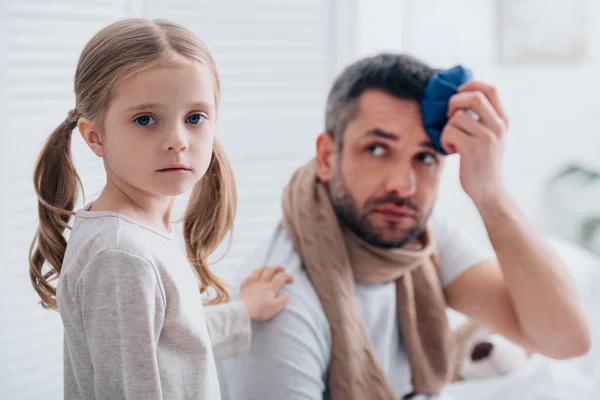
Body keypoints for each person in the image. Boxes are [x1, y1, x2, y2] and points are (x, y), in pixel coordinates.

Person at [218, 53, 591, 400]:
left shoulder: (421, 238)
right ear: (328, 157)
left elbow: (564, 340)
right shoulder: (281, 304)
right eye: (377, 149)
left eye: (425, 157)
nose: (403, 184)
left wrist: (489, 193)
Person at [28, 18, 291, 400]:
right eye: (145, 119)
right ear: (95, 136)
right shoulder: (121, 254)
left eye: (195, 118)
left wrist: (242, 312)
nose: (177, 141)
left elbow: (171, 341)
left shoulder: (136, 234)